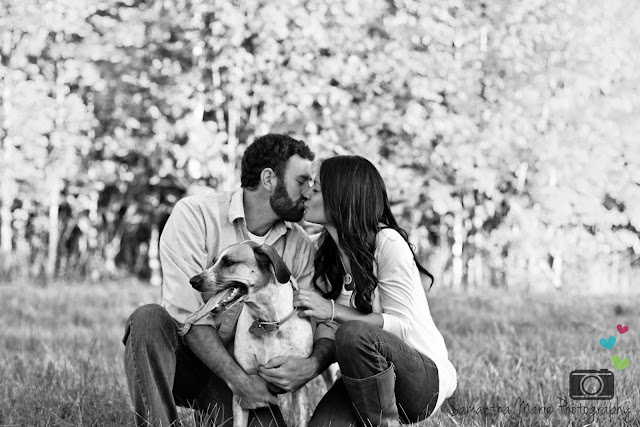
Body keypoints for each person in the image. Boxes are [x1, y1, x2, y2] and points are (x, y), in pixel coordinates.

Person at [122, 134, 336, 427]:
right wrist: (240, 382)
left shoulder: (298, 244)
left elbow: (322, 317)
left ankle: (212, 413)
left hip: (246, 374)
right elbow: (187, 315)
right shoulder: (195, 216)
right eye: (302, 181)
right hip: (182, 361)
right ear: (269, 179)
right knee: (148, 319)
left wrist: (310, 366)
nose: (309, 192)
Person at [295, 155, 457, 427]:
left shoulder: (387, 242)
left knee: (353, 334)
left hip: (420, 381)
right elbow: (326, 326)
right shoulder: (324, 251)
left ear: (341, 197)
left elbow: (401, 326)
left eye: (317, 188)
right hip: (364, 381)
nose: (307, 191)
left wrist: (332, 311)